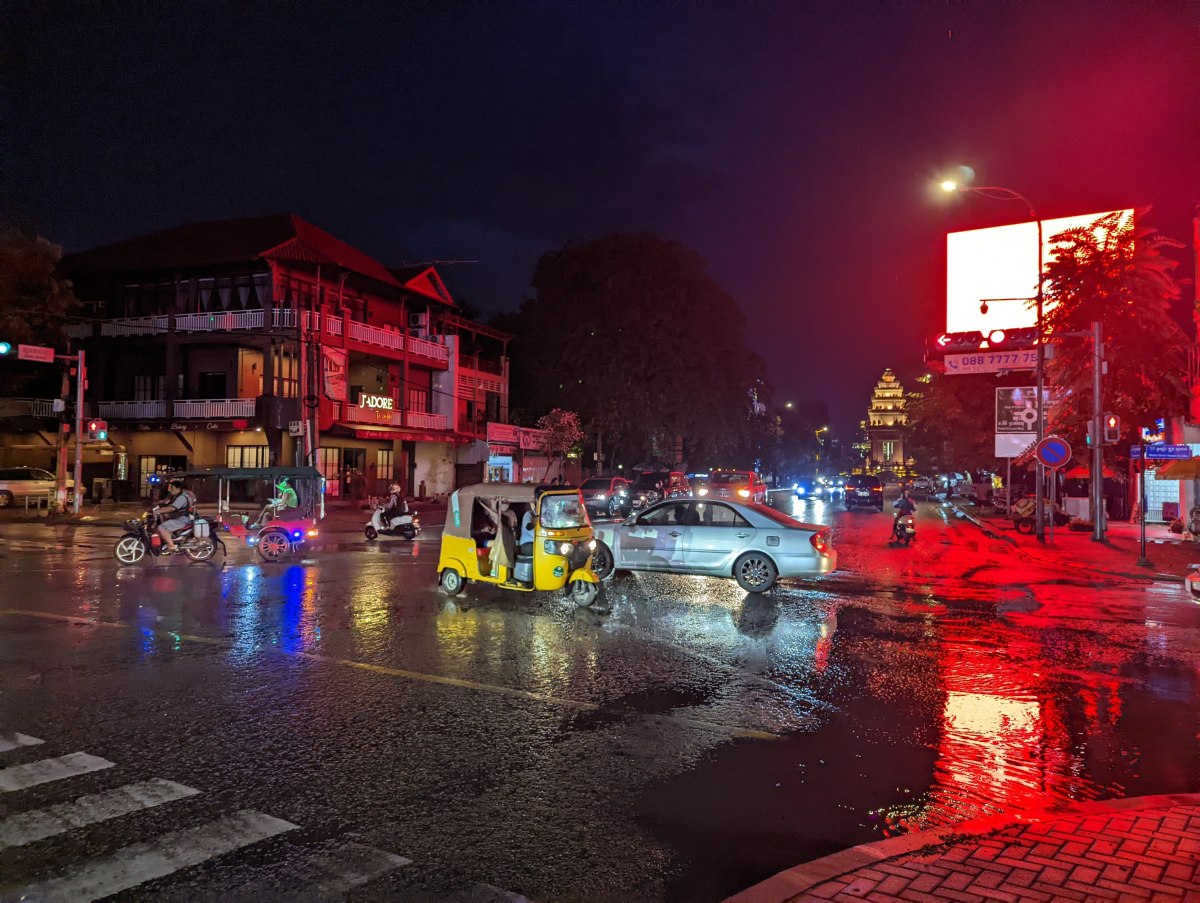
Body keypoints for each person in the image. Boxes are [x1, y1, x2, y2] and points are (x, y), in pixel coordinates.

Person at [153, 479, 194, 554]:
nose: (170, 490)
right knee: (163, 520)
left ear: (178, 489)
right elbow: (168, 503)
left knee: (161, 527)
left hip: (182, 519)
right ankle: (169, 539)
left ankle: (171, 546)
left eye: (172, 488)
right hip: (179, 517)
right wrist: (160, 507)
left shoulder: (182, 497)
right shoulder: (177, 496)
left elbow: (172, 508)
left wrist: (159, 511)